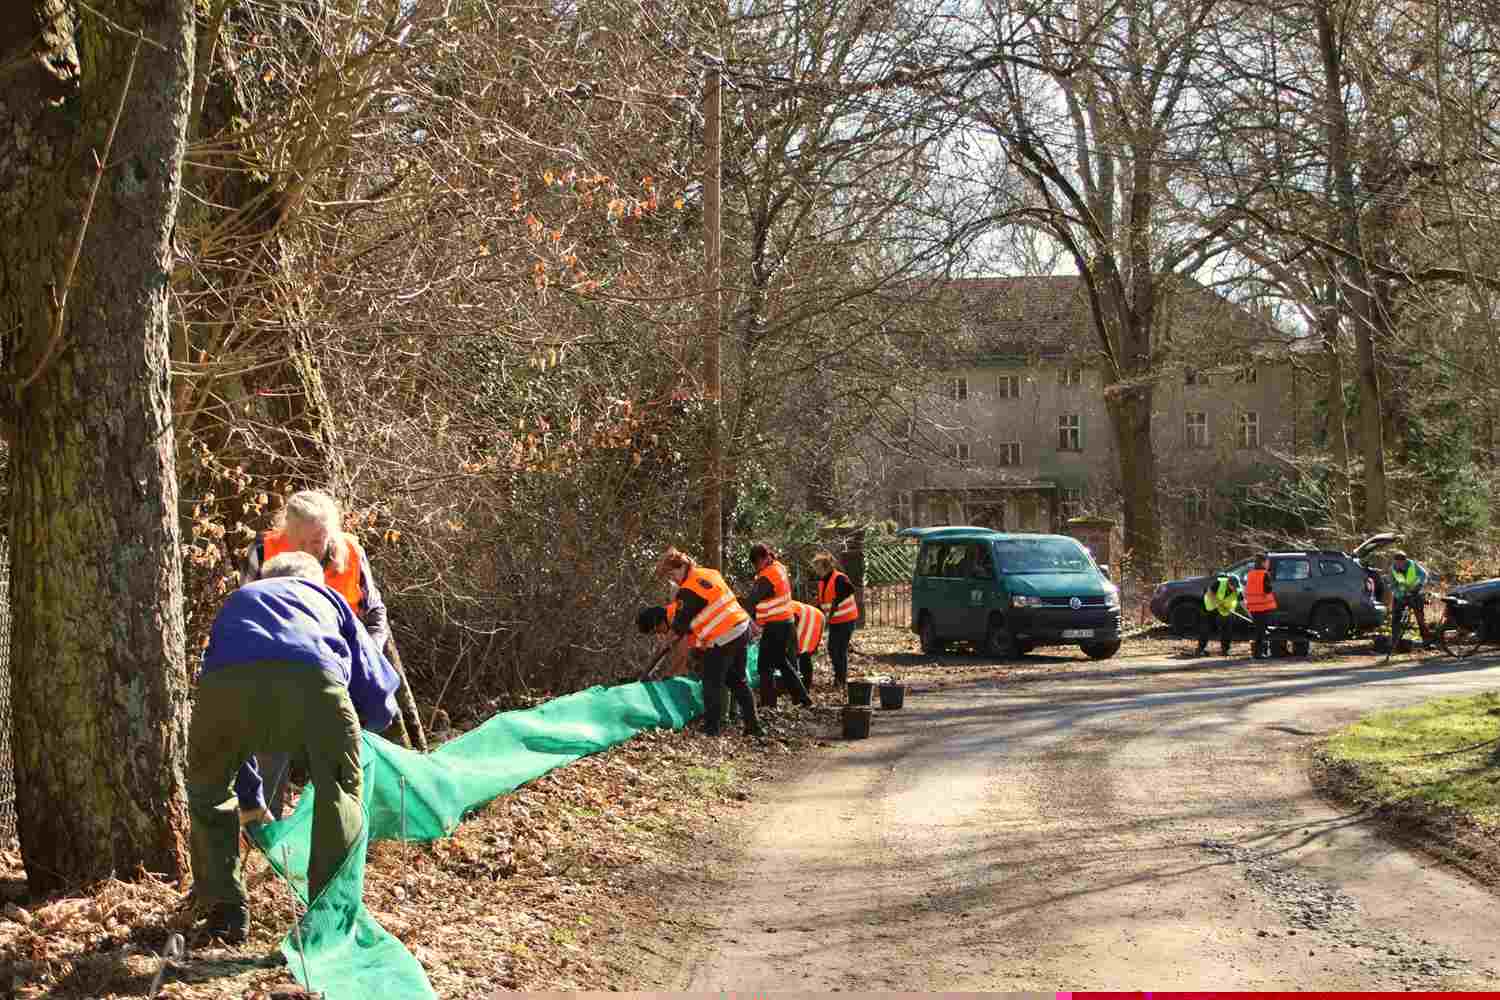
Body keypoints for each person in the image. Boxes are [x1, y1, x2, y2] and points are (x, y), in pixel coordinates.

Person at [187, 551, 401, 943]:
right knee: (339, 792)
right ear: (315, 580)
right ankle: (327, 920)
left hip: (224, 690)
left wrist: (250, 793)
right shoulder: (327, 598)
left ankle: (225, 913)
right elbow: (375, 683)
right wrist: (366, 726)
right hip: (313, 683)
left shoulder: (240, 599)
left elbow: (220, 681)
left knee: (208, 790)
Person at [244, 490, 407, 816]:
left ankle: (359, 819)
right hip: (280, 666)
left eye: (317, 541)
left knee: (348, 741)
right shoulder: (262, 551)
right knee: (270, 740)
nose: (309, 550)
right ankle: (265, 829)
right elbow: (248, 611)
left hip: (341, 666)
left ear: (330, 534)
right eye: (300, 543)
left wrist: (365, 657)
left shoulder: (351, 552)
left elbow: (375, 613)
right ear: (287, 532)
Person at [656, 547, 765, 738]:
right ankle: (753, 726)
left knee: (711, 682)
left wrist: (664, 644)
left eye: (672, 574)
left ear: (682, 567)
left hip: (724, 636)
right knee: (737, 680)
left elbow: (680, 625)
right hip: (741, 628)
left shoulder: (688, 590)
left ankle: (711, 729)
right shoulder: (709, 573)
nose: (674, 580)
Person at [746, 543, 814, 710]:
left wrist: (744, 616)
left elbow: (752, 601)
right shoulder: (778, 567)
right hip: (784, 623)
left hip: (776, 625)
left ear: (763, 558)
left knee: (765, 665)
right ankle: (802, 698)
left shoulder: (768, 575)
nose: (755, 567)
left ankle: (770, 703)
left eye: (756, 563)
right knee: (781, 662)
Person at [813, 551, 859, 686]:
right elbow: (823, 602)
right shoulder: (822, 582)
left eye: (818, 567)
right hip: (835, 621)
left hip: (846, 619)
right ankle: (839, 677)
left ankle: (840, 680)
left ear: (826, 567)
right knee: (833, 649)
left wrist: (836, 602)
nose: (816, 571)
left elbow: (849, 589)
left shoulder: (839, 578)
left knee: (839, 650)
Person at [1388, 550, 1432, 648]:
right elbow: (1392, 585)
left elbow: (1423, 575)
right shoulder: (1392, 569)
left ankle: (1427, 642)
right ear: (1394, 561)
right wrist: (1399, 595)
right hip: (1401, 595)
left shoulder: (1412, 565)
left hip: (1415, 594)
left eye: (1401, 562)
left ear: (1405, 560)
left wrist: (1419, 585)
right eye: (1397, 562)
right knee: (1396, 618)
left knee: (1420, 618)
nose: (1399, 564)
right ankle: (1395, 642)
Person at [1196, 574, 1240, 657]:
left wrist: (1250, 615)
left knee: (1227, 628)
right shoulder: (1219, 583)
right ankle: (1200, 649)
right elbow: (1209, 592)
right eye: (1233, 586)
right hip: (1210, 607)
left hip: (1224, 610)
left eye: (1236, 587)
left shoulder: (1237, 590)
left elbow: (1242, 602)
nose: (1234, 588)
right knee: (1206, 627)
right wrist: (1218, 602)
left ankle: (1225, 650)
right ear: (1228, 583)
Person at [1243, 553, 1277, 659]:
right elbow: (1267, 590)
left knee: (1258, 630)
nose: (1268, 564)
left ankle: (1258, 652)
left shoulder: (1250, 574)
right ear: (1263, 562)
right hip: (1263, 606)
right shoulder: (1265, 574)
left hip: (1253, 606)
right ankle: (1259, 653)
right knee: (1261, 631)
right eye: (1267, 562)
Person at [791, 599, 826, 690]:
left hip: (808, 620)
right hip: (817, 617)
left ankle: (799, 686)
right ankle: (805, 686)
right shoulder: (783, 605)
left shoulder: (780, 610)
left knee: (796, 656)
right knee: (805, 655)